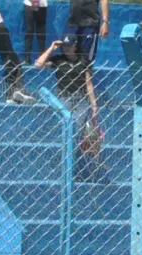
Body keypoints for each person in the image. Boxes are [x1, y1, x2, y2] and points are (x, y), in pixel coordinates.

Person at [34, 38, 101, 171]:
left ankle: (73, 164)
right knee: (66, 129)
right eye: (64, 46)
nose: (66, 49)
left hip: (81, 99)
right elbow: (38, 64)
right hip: (64, 98)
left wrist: (94, 105)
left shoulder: (83, 61)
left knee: (77, 130)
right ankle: (66, 163)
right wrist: (52, 47)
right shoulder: (58, 60)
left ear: (75, 46)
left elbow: (88, 83)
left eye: (69, 46)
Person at [64, 0, 107, 65]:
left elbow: (104, 1)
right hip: (73, 22)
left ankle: (86, 74)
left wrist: (105, 22)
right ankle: (71, 74)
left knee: (86, 58)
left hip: (90, 23)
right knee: (68, 52)